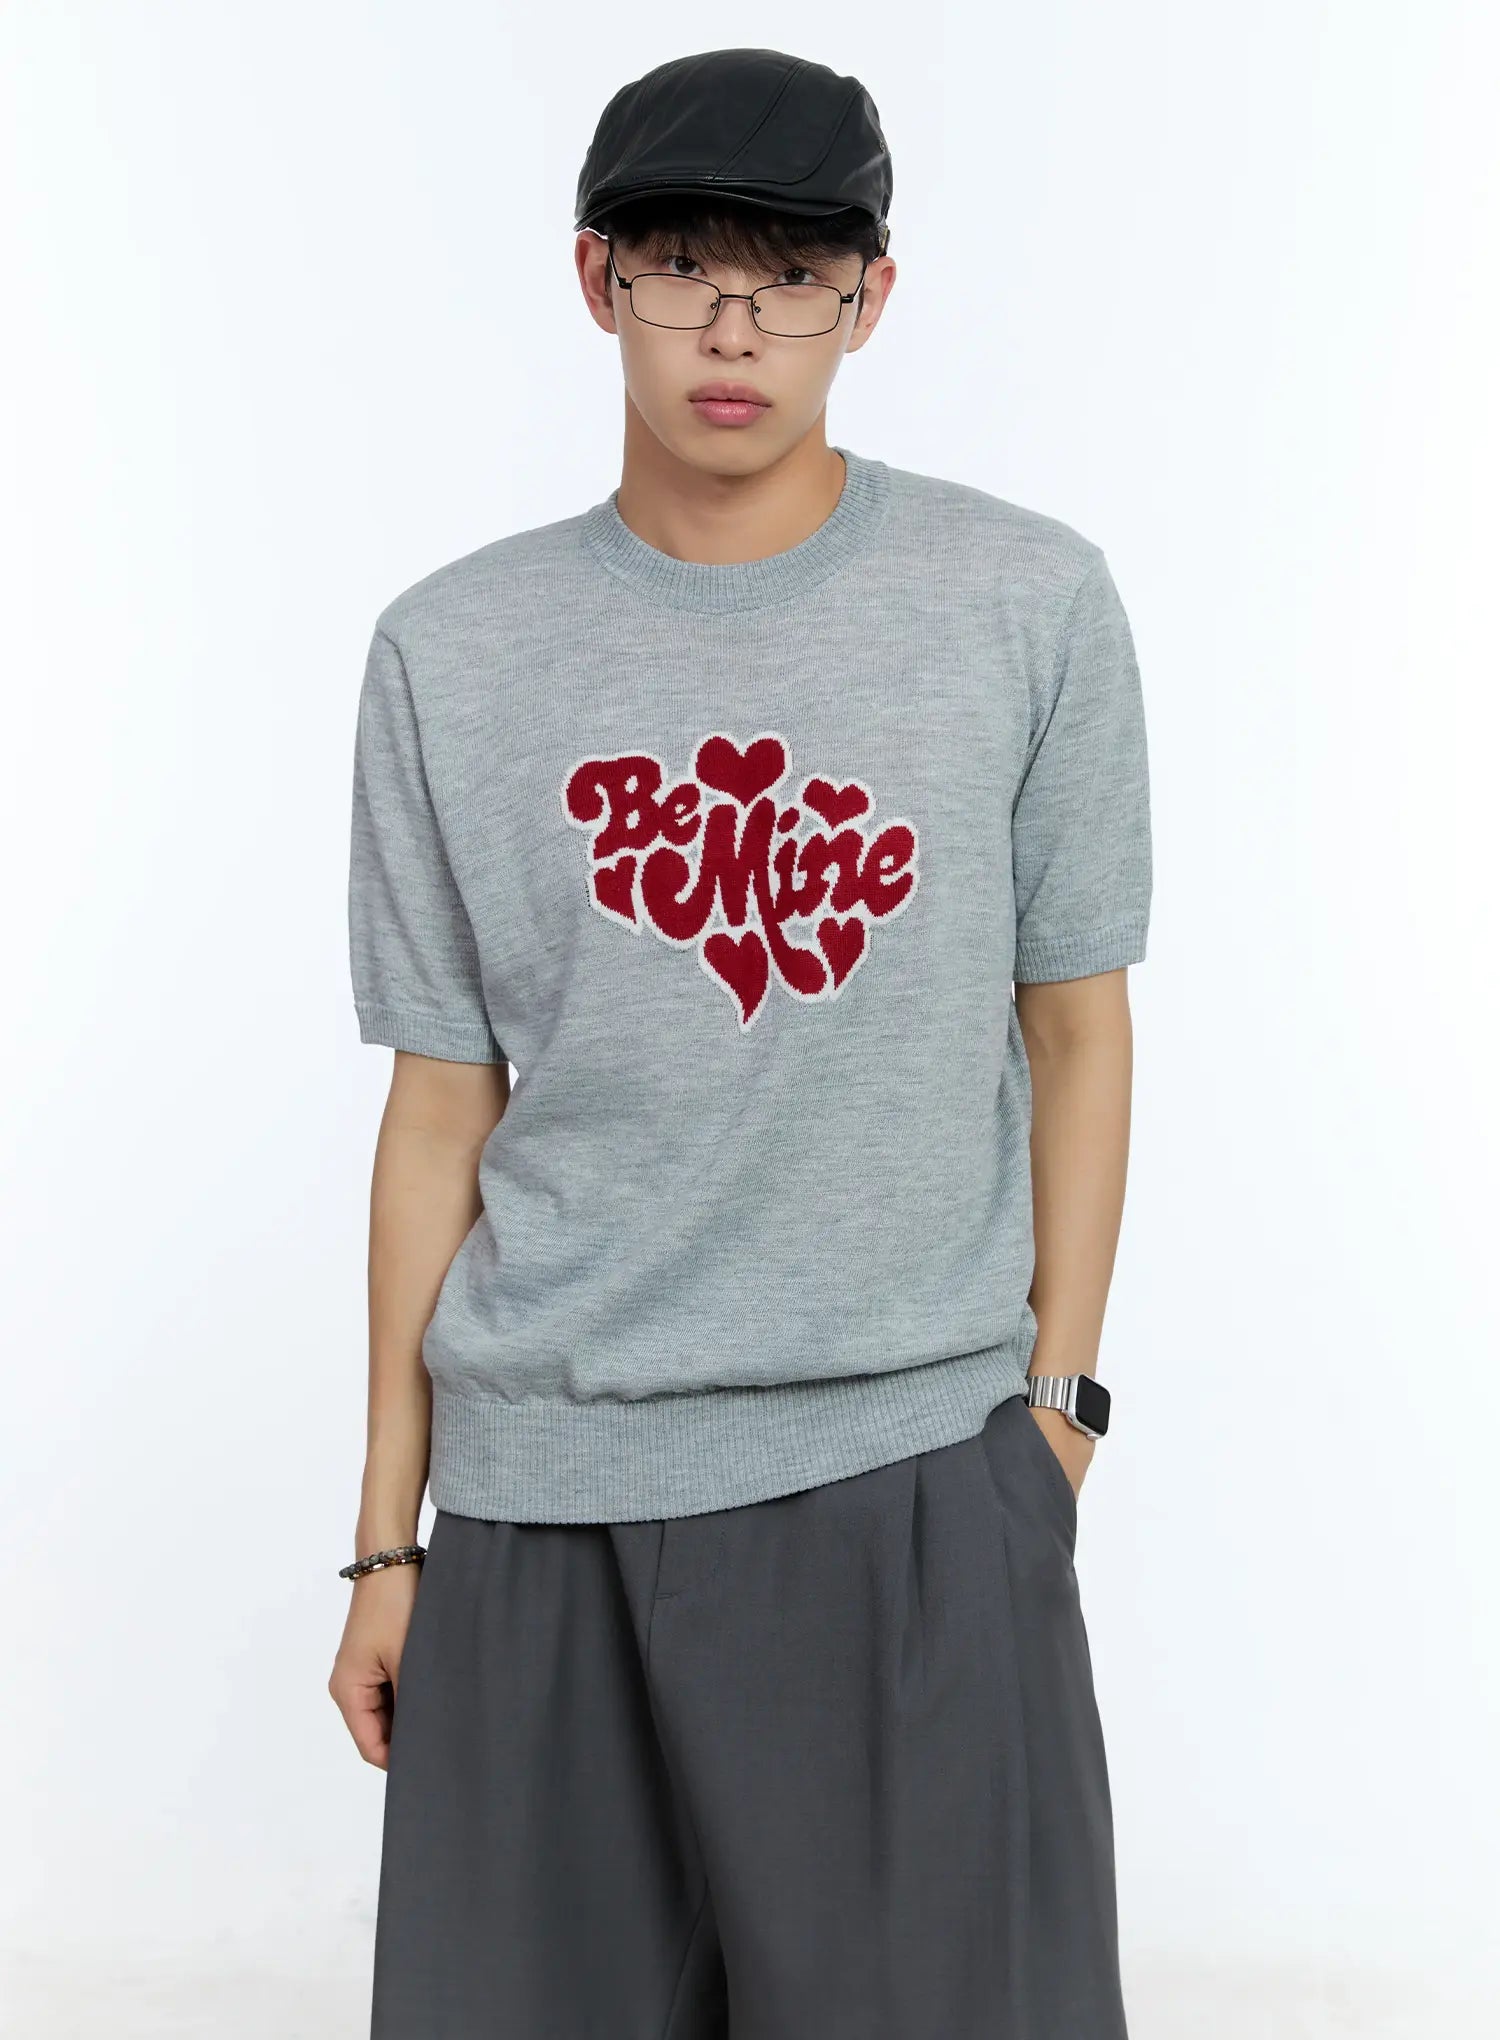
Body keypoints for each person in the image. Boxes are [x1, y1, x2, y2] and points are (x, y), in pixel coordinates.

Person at [328, 44, 1152, 2040]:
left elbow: (1077, 1029)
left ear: (871, 300)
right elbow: (440, 1110)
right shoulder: (451, 650)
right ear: (594, 278)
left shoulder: (1028, 604)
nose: (731, 329)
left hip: (911, 1479)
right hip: (541, 1504)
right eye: (682, 265)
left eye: (791, 278)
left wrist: (1053, 1417)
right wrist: (385, 1545)